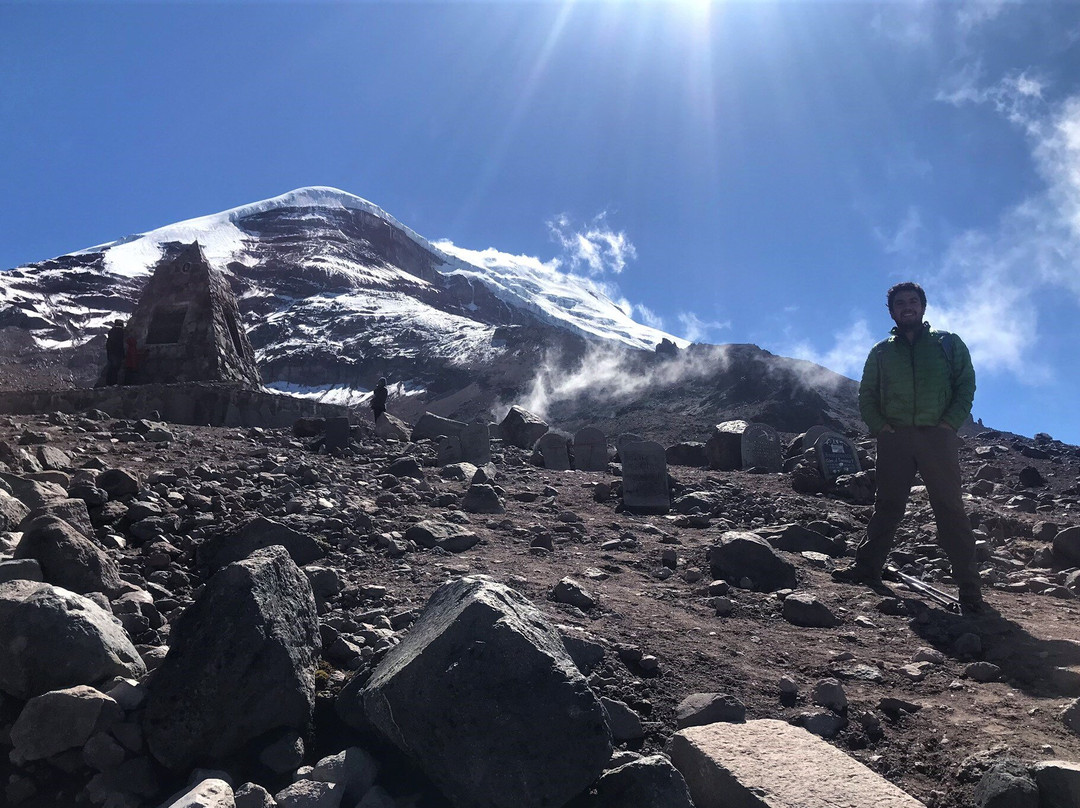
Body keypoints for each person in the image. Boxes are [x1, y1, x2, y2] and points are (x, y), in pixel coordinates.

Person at [833, 282, 984, 614]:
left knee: (950, 509)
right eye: (900, 303)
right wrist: (881, 428)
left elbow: (966, 383)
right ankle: (867, 569)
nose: (907, 307)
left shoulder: (948, 343)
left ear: (923, 307)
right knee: (887, 505)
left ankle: (970, 591)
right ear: (891, 311)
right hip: (895, 438)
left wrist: (950, 423)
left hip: (937, 437)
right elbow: (867, 394)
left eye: (913, 301)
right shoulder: (881, 351)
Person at [105, 320, 125, 386]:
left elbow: (108, 345)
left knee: (111, 368)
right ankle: (114, 382)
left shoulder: (111, 333)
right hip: (118, 353)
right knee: (116, 368)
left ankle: (109, 382)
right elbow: (121, 345)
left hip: (111, 353)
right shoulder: (121, 333)